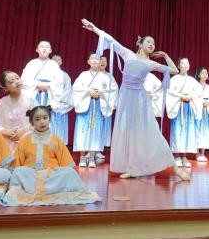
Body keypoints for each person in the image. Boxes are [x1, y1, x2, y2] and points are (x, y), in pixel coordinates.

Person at [81, 18, 190, 180]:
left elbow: (174, 70)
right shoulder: (128, 54)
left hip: (140, 100)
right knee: (129, 133)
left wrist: (166, 56)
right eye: (148, 42)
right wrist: (94, 28)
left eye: (153, 43)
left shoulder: (151, 63)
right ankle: (132, 168)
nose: (152, 44)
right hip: (126, 99)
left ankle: (177, 170)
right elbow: (111, 40)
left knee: (153, 133)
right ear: (140, 44)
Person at [0, 106, 101, 206]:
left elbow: (66, 165)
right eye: (37, 119)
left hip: (52, 177)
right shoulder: (25, 141)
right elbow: (16, 165)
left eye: (45, 118)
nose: (42, 122)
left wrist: (60, 173)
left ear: (49, 119)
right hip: (32, 177)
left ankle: (44, 190)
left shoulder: (56, 140)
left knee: (70, 172)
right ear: (32, 123)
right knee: (18, 171)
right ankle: (45, 191)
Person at [72, 53, 115, 168]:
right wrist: (88, 92)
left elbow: (112, 91)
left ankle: (91, 157)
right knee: (82, 130)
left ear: (100, 62)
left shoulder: (105, 77)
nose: (95, 60)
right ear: (88, 61)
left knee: (95, 131)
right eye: (93, 58)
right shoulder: (83, 75)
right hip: (86, 105)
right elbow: (75, 89)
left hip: (98, 105)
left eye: (97, 59)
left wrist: (101, 92)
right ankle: (82, 157)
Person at [21, 40, 65, 138]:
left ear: (50, 50)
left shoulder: (54, 65)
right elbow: (24, 79)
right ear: (37, 49)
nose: (44, 49)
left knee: (47, 117)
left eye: (47, 47)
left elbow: (59, 82)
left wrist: (47, 85)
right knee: (33, 115)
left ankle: (47, 142)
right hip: (34, 93)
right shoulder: (31, 63)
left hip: (48, 94)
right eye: (41, 47)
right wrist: (37, 84)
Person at [166, 57, 200, 168]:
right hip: (178, 106)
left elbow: (198, 92)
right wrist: (181, 96)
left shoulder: (192, 80)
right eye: (183, 63)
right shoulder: (174, 79)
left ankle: (184, 156)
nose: (186, 64)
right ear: (179, 66)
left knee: (187, 131)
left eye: (187, 63)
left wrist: (190, 96)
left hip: (188, 107)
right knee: (177, 131)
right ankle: (176, 156)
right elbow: (169, 91)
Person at [0, 70, 34, 151]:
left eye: (17, 78)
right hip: (7, 141)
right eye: (11, 82)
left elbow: (37, 120)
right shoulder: (1, 103)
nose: (17, 82)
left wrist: (23, 132)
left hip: (29, 139)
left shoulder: (30, 99)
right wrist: (6, 132)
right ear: (5, 88)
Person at [194, 67, 209, 162]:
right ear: (199, 75)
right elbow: (193, 96)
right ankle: (197, 152)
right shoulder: (195, 85)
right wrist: (200, 101)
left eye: (206, 73)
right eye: (202, 73)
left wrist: (208, 102)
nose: (205, 75)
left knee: (205, 131)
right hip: (198, 111)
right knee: (197, 130)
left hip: (206, 112)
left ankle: (203, 153)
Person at [97, 55, 119, 163]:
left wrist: (104, 94)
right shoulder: (93, 74)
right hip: (95, 102)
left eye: (105, 60)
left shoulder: (110, 76)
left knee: (102, 127)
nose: (103, 62)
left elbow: (114, 89)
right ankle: (89, 150)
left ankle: (98, 149)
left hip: (105, 104)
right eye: (101, 60)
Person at [51, 53, 74, 145]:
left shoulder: (65, 75)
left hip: (61, 106)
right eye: (54, 59)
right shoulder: (46, 74)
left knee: (60, 131)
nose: (56, 61)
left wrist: (57, 101)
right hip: (48, 105)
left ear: (61, 62)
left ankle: (59, 148)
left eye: (59, 59)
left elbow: (67, 90)